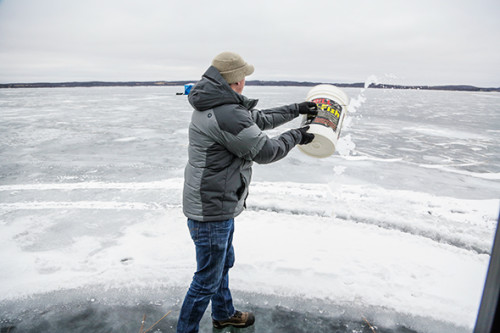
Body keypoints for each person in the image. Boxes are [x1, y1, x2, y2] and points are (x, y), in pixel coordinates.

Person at [177, 51, 318, 333]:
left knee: (221, 264)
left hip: (216, 201)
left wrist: (297, 109)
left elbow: (258, 119)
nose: (245, 80)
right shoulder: (226, 112)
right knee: (206, 278)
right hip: (211, 207)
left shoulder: (221, 105)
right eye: (244, 76)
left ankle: (224, 313)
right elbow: (265, 151)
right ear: (236, 80)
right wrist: (297, 136)